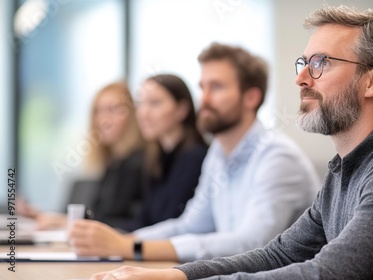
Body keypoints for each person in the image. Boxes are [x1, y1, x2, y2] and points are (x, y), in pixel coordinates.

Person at [91, 5, 373, 280]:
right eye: (303, 63)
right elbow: (279, 253)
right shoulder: (343, 171)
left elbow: (330, 273)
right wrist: (177, 276)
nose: (302, 78)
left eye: (321, 62)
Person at [70, 42, 320, 264]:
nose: (204, 99)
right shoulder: (218, 154)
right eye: (202, 87)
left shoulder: (277, 157)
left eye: (217, 87)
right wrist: (123, 240)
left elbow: (251, 244)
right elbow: (190, 225)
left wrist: (131, 247)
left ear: (251, 97)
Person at [32, 81, 146, 230]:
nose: (102, 119)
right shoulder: (114, 164)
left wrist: (67, 222)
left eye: (112, 110)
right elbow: (100, 215)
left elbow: (122, 222)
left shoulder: (137, 164)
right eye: (97, 111)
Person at [126, 74, 208, 231]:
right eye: (140, 104)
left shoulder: (194, 158)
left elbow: (169, 220)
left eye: (155, 103)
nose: (143, 113)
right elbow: (144, 220)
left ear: (181, 110)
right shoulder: (157, 158)